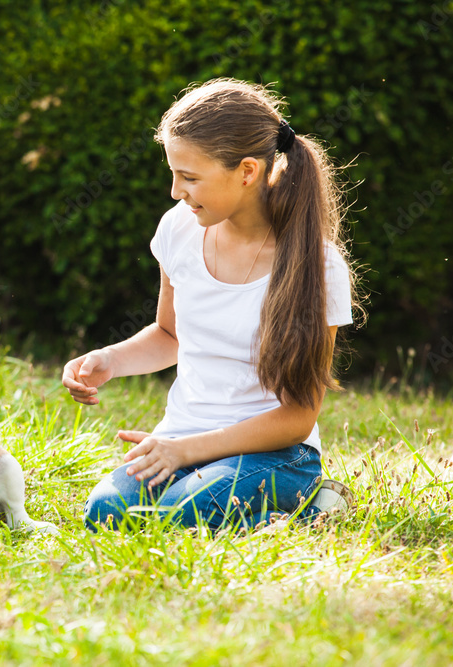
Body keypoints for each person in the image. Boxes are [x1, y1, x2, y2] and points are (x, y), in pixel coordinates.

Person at [62, 78, 360, 531]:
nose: (175, 191)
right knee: (105, 511)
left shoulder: (317, 267)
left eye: (190, 177)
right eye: (173, 174)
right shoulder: (179, 230)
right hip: (182, 441)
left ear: (246, 171)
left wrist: (186, 452)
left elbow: (298, 417)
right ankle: (277, 519)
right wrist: (108, 360)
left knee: (174, 514)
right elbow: (169, 335)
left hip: (277, 456)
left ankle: (311, 504)